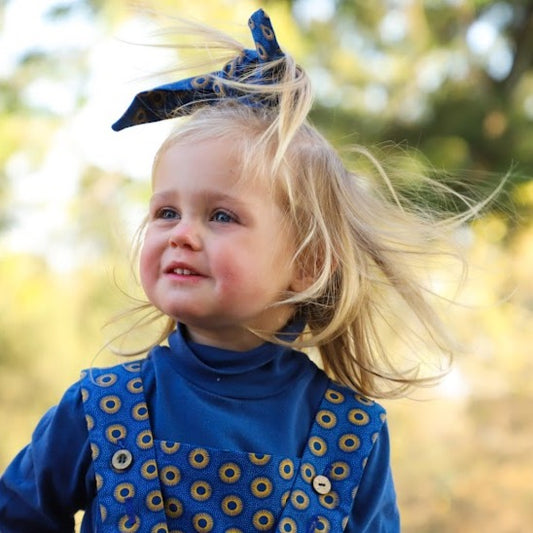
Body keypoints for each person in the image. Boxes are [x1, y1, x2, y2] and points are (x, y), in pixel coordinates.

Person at [0, 8, 467, 532]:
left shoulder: (351, 435)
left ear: (307, 263)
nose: (181, 233)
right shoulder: (97, 407)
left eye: (221, 216)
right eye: (166, 212)